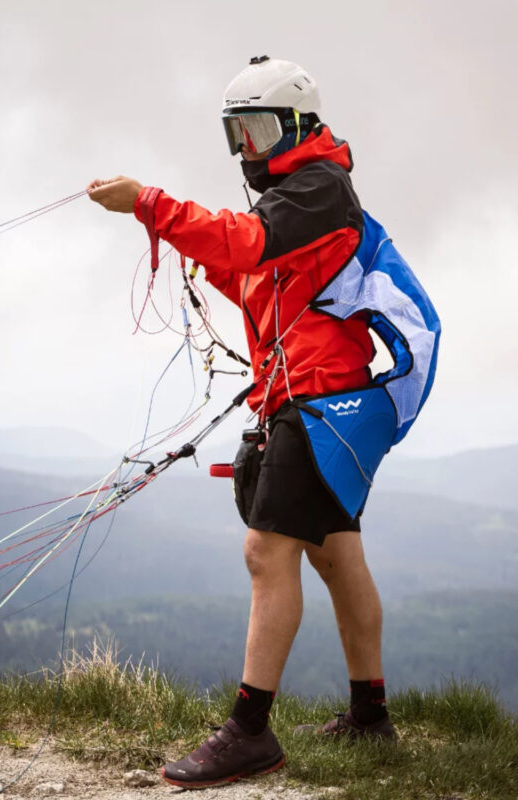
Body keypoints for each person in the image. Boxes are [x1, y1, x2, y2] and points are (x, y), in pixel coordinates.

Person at [89, 56, 398, 789]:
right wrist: (202, 251)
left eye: (258, 131)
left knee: (266, 552)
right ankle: (371, 716)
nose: (248, 151)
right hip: (324, 399)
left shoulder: (321, 185)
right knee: (334, 555)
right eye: (238, 134)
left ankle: (250, 732)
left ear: (297, 122)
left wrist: (151, 205)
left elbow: (252, 246)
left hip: (321, 401)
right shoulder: (303, 193)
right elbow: (260, 270)